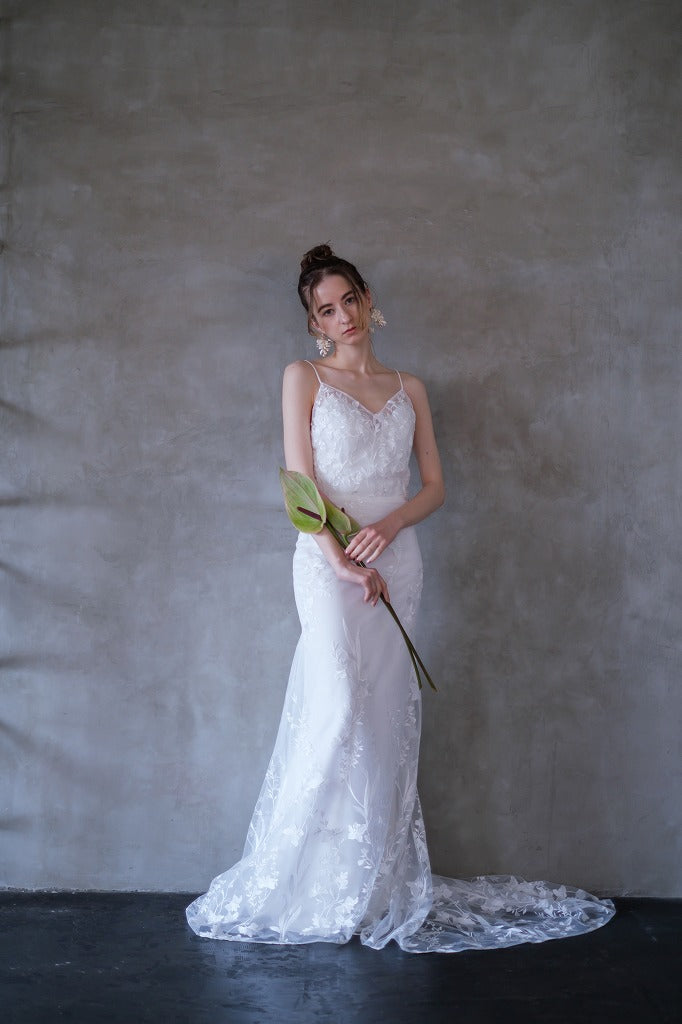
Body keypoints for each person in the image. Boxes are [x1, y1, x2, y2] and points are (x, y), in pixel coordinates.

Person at [185, 244, 615, 951]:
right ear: (315, 324)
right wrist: (343, 562)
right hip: (328, 562)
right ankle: (301, 884)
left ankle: (369, 886)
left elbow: (434, 487)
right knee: (336, 706)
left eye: (350, 300)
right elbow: (299, 487)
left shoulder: (409, 387)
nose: (344, 316)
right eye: (327, 310)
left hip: (397, 561)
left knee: (382, 716)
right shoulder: (302, 378)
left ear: (367, 298)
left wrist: (388, 528)